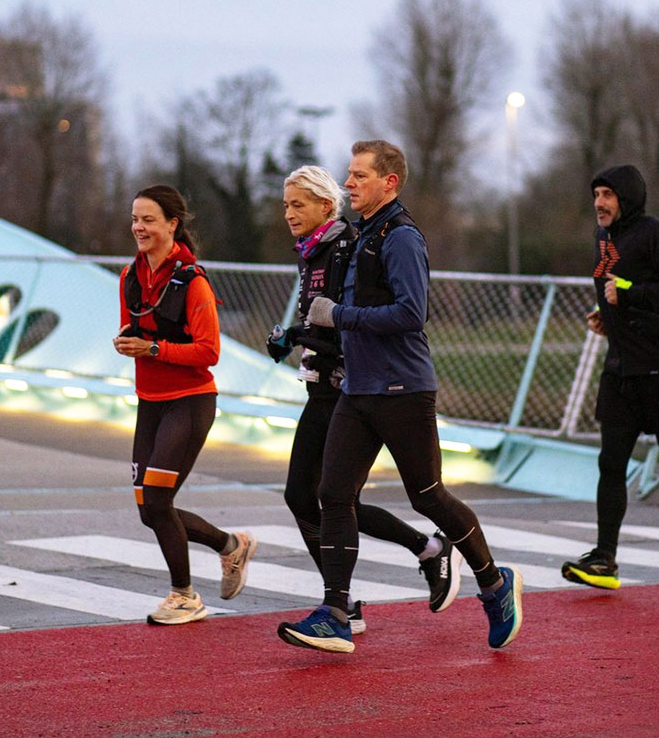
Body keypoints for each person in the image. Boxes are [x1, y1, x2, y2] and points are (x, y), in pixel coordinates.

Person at [277, 141, 523, 654]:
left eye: (359, 176)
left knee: (427, 495)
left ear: (389, 182)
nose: (349, 184)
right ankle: (337, 614)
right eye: (348, 174)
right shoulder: (362, 235)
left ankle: (495, 584)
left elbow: (412, 314)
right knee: (333, 496)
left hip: (403, 390)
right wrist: (306, 334)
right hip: (357, 389)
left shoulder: (402, 237)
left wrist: (338, 316)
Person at [267, 165, 462, 634]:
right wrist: (296, 336)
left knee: (329, 497)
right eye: (285, 204)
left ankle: (342, 604)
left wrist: (302, 334)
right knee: (324, 497)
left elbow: (352, 324)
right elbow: (325, 322)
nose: (289, 213)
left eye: (298, 204)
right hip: (324, 384)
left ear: (324, 206)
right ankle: (423, 553)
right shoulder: (311, 251)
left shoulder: (342, 247)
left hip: (350, 388)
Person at [114, 184, 256, 624]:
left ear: (172, 224)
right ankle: (230, 546)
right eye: (135, 219)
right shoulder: (129, 276)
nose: (139, 227)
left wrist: (154, 351)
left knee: (158, 500)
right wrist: (127, 344)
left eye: (149, 219)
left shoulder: (192, 280)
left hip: (190, 402)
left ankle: (185, 596)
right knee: (149, 509)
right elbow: (132, 329)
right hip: (149, 403)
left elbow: (209, 351)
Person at [562, 165, 659, 590]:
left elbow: (637, 288)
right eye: (597, 194)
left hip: (655, 371)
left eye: (608, 195)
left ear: (628, 197)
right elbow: (613, 288)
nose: (599, 203)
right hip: (620, 367)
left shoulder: (652, 233)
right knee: (610, 463)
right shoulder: (605, 237)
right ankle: (604, 559)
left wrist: (630, 296)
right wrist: (608, 316)